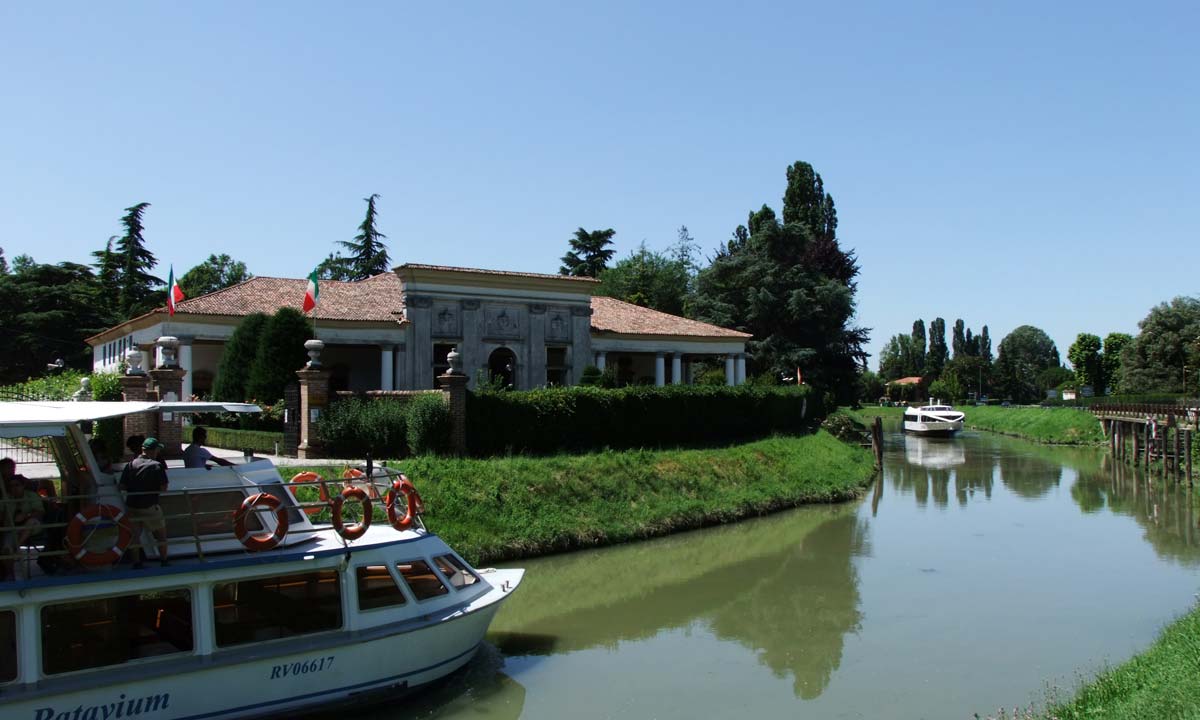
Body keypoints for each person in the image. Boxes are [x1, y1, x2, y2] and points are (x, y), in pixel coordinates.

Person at [119, 437, 170, 568]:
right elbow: (164, 488)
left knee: (135, 536)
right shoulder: (156, 466)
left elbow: (122, 486)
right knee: (161, 535)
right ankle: (164, 561)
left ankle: (136, 563)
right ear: (153, 451)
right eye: (157, 450)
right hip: (149, 506)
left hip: (132, 506)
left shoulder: (130, 465)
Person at [1, 468, 45, 580]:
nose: (14, 488)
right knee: (6, 549)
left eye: (17, 485)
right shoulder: (6, 498)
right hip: (13, 529)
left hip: (31, 527)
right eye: (11, 486)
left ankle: (16, 547)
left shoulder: (31, 496)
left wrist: (27, 515)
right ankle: (10, 575)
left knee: (31, 522)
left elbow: (40, 512)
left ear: (23, 486)